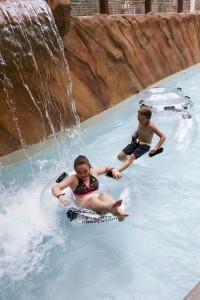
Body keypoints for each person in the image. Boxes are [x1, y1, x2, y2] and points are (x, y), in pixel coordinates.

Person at [52, 155, 129, 221]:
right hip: (85, 206)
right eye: (79, 172)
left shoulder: (93, 172)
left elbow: (106, 168)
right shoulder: (73, 179)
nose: (82, 175)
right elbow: (55, 187)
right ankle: (110, 208)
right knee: (92, 199)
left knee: (103, 194)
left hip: (98, 200)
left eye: (85, 171)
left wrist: (113, 169)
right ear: (75, 171)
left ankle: (118, 212)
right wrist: (60, 196)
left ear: (89, 167)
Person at [117, 106, 166, 172]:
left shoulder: (151, 125)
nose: (139, 120)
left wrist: (156, 148)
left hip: (144, 146)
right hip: (136, 142)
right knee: (120, 156)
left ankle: (116, 172)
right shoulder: (140, 121)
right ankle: (128, 165)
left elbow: (163, 137)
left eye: (141, 119)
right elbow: (139, 130)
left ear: (148, 118)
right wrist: (136, 133)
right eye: (138, 118)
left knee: (131, 157)